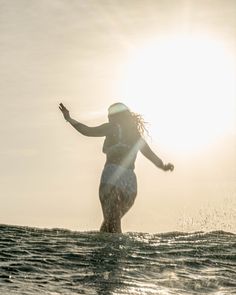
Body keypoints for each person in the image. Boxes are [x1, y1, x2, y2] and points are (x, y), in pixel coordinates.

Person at [59, 102, 174, 233]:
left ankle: (119, 252)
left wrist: (69, 119)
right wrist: (163, 166)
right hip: (130, 183)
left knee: (112, 228)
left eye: (110, 114)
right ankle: (108, 251)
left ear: (116, 116)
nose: (108, 117)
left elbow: (87, 131)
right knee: (108, 227)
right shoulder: (135, 135)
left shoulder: (112, 127)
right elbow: (150, 155)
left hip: (112, 176)